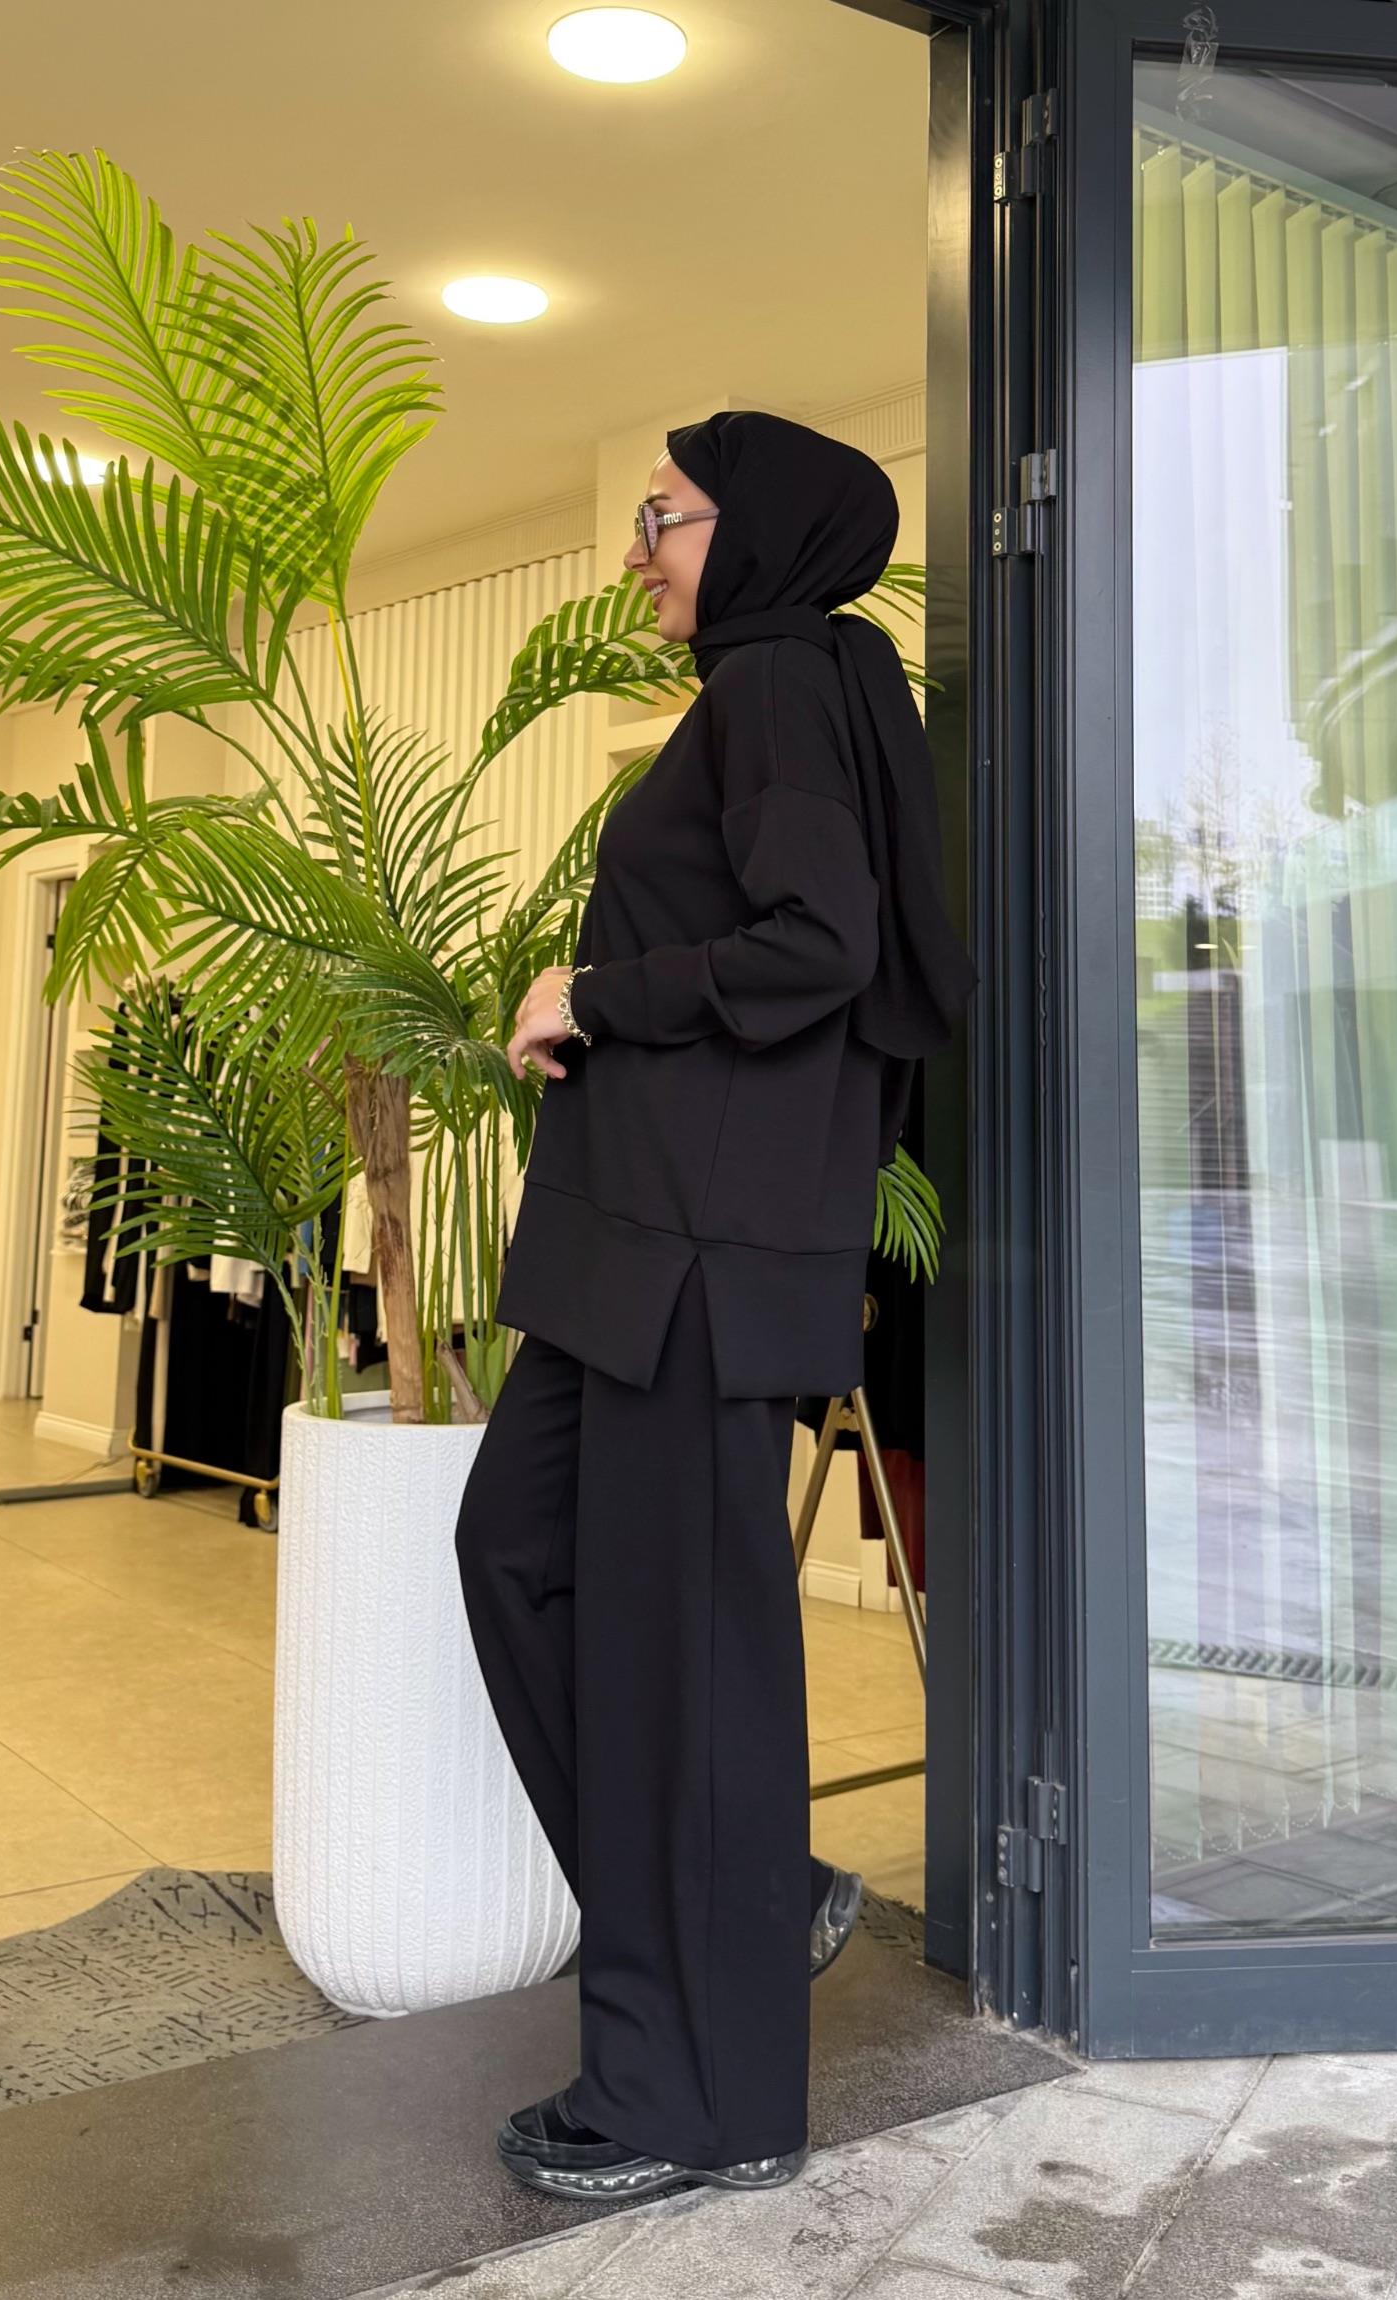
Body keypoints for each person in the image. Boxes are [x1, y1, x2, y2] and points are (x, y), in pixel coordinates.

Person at [454, 408, 976, 2203]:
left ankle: (696, 2102)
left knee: (682, 1661)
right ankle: (759, 1903)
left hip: (693, 1258)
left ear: (752, 528)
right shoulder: (774, 691)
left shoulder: (781, 686)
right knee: (514, 1553)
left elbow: (820, 943)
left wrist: (598, 993)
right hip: (644, 1253)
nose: (637, 553)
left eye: (661, 516)